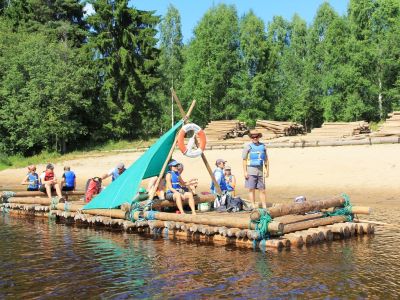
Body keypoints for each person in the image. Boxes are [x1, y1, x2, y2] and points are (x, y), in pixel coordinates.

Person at [242, 129, 269, 209]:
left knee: (262, 189)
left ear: (258, 137)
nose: (255, 138)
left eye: (256, 137)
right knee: (251, 189)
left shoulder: (263, 146)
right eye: (253, 137)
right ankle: (253, 206)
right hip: (251, 171)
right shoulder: (248, 147)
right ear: (251, 137)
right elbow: (244, 160)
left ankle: (264, 206)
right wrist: (245, 172)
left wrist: (267, 171)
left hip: (260, 171)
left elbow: (266, 159)